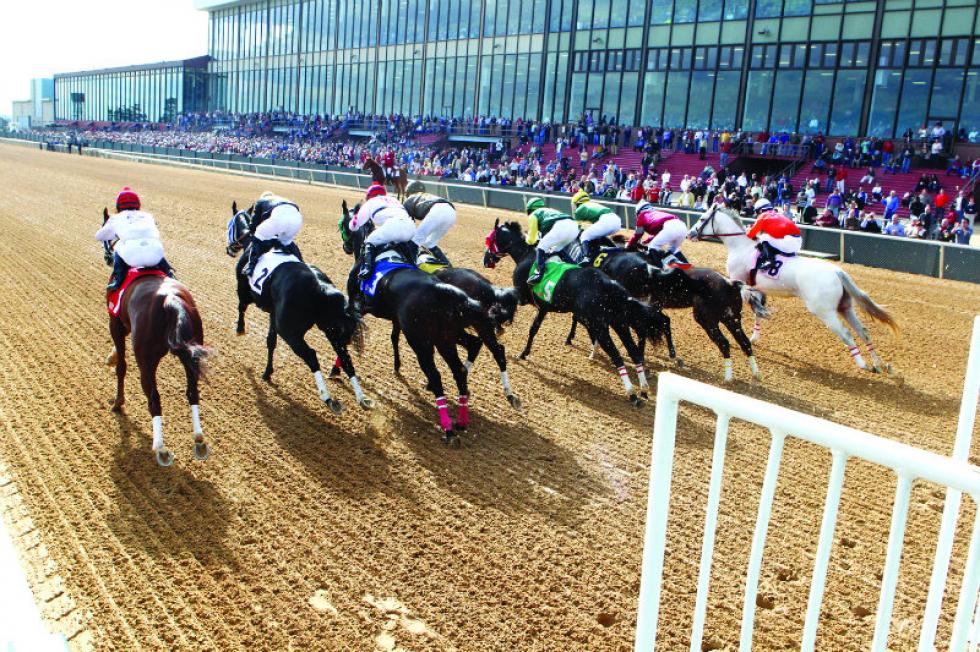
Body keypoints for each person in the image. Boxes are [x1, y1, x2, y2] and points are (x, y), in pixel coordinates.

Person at [96, 187, 176, 291]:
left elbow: (99, 236)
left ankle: (118, 278)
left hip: (132, 257)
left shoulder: (116, 218)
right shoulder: (148, 216)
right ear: (138, 204)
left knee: (119, 245)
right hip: (156, 256)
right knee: (153, 243)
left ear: (118, 206)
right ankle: (169, 272)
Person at [351, 183, 416, 280]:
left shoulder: (370, 202)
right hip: (411, 227)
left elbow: (355, 224)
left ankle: (367, 270)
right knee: (400, 242)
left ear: (370, 196)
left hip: (393, 225)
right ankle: (414, 264)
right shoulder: (395, 200)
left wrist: (352, 226)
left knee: (369, 241)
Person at [243, 191, 305, 277]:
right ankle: (302, 264)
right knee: (287, 241)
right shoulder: (280, 200)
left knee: (259, 233)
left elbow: (254, 224)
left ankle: (250, 267)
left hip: (280, 217)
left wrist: (252, 234)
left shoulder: (261, 201)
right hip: (297, 219)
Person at [525, 196, 580, 284]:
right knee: (558, 249)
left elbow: (531, 239)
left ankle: (539, 274)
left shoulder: (533, 215)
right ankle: (576, 267)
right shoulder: (549, 211)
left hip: (561, 227)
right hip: (574, 227)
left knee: (541, 246)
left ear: (530, 209)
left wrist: (527, 238)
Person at [402, 180, 455, 265]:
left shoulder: (410, 199)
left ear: (409, 191)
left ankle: (410, 266)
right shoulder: (426, 196)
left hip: (437, 210)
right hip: (451, 211)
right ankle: (447, 264)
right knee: (430, 243)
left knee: (416, 239)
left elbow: (408, 224)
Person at [626, 200, 691, 269]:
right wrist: (646, 241)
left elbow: (638, 234)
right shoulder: (656, 214)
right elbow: (658, 234)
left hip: (670, 227)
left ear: (639, 211)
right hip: (682, 226)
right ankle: (687, 266)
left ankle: (662, 269)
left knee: (652, 246)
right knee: (673, 249)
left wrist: (629, 245)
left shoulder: (642, 216)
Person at [746, 209, 802, 280]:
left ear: (760, 211)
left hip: (788, 243)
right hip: (798, 241)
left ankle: (770, 260)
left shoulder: (763, 216)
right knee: (769, 238)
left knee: (764, 237)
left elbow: (750, 234)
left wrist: (747, 229)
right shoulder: (778, 214)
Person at [570, 190, 623, 265]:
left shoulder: (579, 210)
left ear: (577, 203)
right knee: (598, 235)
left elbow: (576, 227)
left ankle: (586, 257)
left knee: (584, 236)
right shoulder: (591, 204)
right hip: (617, 220)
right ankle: (617, 249)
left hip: (607, 220)